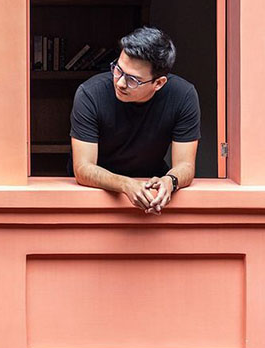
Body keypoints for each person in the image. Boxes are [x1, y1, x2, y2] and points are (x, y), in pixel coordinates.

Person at [70, 26, 200, 214]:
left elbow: (186, 166)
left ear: (159, 83)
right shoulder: (90, 94)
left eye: (133, 80)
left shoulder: (183, 96)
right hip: (96, 193)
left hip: (150, 186)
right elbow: (83, 168)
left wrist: (170, 181)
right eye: (117, 70)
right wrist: (125, 184)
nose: (120, 83)